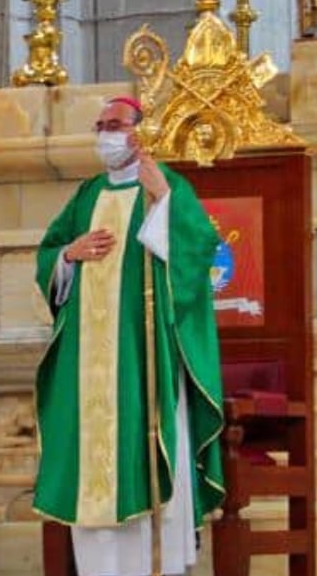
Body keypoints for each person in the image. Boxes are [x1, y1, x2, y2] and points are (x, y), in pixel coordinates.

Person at [33, 96, 225, 576]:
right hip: (89, 371)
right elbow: (49, 255)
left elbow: (197, 255)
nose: (104, 135)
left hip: (144, 362)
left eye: (114, 125)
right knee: (91, 469)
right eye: (99, 126)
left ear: (140, 132)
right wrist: (69, 255)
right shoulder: (86, 195)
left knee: (146, 457)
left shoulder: (165, 186)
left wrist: (162, 202)